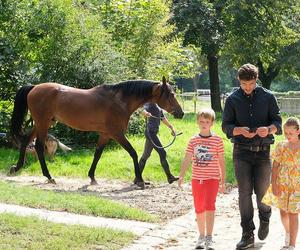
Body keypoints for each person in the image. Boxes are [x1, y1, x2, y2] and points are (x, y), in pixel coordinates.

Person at [222, 63, 282, 250]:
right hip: (241, 153)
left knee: (263, 194)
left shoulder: (268, 97)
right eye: (243, 84)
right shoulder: (232, 99)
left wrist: (269, 129)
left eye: (251, 84)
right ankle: (247, 234)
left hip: (263, 153)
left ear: (256, 80)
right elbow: (226, 126)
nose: (247, 88)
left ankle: (265, 216)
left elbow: (278, 123)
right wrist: (238, 130)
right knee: (244, 194)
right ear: (239, 81)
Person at [178, 108, 225, 249]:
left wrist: (223, 180)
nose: (204, 124)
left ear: (212, 123)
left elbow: (221, 161)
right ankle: (201, 236)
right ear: (197, 122)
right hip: (197, 179)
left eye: (207, 121)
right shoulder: (193, 140)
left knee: (210, 206)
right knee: (199, 207)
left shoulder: (217, 140)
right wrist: (181, 175)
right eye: (201, 121)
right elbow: (187, 158)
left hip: (212, 179)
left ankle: (209, 237)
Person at [262, 117, 300, 250]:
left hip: (297, 187)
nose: (288, 136)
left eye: (291, 133)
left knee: (293, 213)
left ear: (298, 131)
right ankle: (288, 232)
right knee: (284, 213)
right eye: (286, 133)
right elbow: (275, 166)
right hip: (282, 184)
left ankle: (292, 244)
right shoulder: (281, 146)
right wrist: (274, 184)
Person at [135, 102, 179, 184]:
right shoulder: (149, 103)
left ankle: (137, 178)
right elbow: (141, 109)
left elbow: (162, 118)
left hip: (153, 133)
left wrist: (171, 127)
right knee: (162, 153)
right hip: (150, 132)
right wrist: (145, 113)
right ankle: (169, 177)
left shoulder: (158, 105)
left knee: (145, 155)